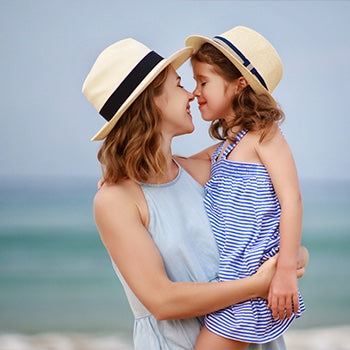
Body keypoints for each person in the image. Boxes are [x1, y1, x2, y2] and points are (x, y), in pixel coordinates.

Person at [82, 37, 308, 350]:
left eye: (198, 82)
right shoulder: (115, 200)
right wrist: (260, 283)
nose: (191, 93)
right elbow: (162, 301)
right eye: (179, 85)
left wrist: (292, 259)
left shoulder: (207, 168)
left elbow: (271, 226)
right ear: (151, 101)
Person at [184, 26, 305, 350]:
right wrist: (122, 173)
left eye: (203, 81)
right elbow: (173, 166)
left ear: (239, 84)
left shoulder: (265, 135)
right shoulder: (225, 149)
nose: (195, 92)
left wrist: (285, 271)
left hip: (251, 285)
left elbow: (291, 201)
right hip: (235, 284)